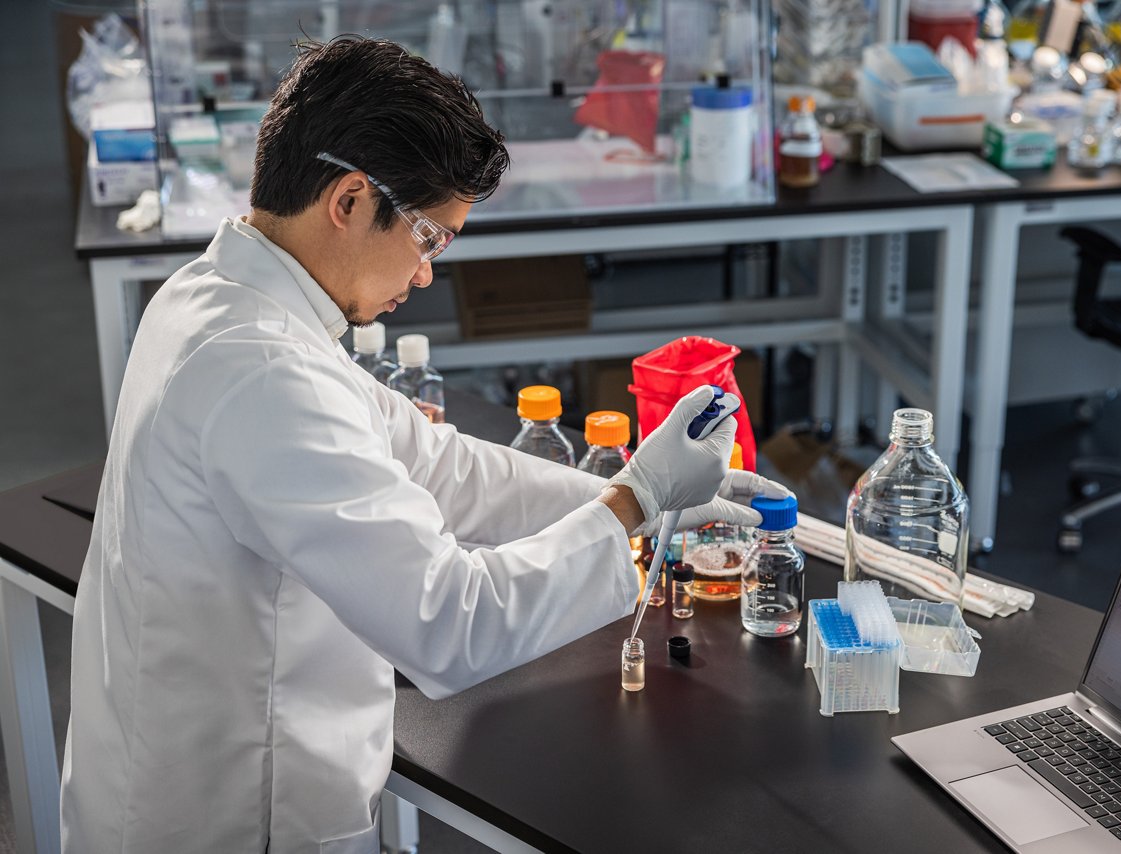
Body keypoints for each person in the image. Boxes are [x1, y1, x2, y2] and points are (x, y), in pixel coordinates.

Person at [60, 37, 785, 853]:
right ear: (348, 199)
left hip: (169, 774)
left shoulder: (221, 297)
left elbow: (437, 464)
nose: (428, 273)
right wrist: (636, 498)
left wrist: (649, 507)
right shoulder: (263, 372)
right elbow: (451, 623)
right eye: (429, 238)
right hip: (230, 817)